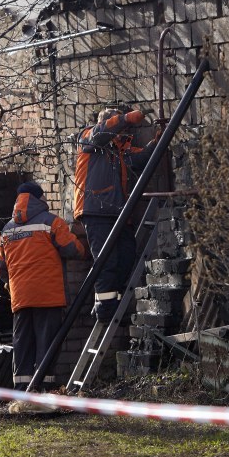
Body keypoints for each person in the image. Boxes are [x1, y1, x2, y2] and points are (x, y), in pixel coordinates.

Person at [0, 181, 86, 396]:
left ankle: (22, 390)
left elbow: (1, 268)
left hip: (20, 297)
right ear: (39, 198)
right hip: (48, 295)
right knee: (47, 344)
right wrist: (82, 243)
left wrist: (12, 286)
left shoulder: (7, 229)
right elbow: (71, 249)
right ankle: (45, 389)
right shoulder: (52, 222)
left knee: (23, 345)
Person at [73, 106, 159, 321]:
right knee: (106, 261)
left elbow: (139, 160)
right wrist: (127, 118)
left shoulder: (119, 149)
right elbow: (101, 133)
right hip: (96, 210)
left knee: (127, 255)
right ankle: (104, 310)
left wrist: (156, 141)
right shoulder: (89, 138)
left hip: (117, 212)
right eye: (117, 124)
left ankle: (112, 302)